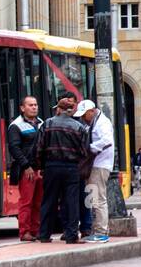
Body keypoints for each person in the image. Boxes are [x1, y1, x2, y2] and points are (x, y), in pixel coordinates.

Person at [35, 97, 91, 245]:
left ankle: (44, 234)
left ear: (58, 109)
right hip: (71, 168)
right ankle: (72, 235)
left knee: (49, 200)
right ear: (71, 111)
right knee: (71, 202)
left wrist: (41, 166)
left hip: (51, 166)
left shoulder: (47, 124)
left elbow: (39, 148)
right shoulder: (79, 127)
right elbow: (85, 151)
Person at [6, 96, 45, 242]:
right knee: (26, 202)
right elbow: (14, 149)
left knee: (39, 202)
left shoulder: (42, 123)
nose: (34, 107)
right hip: (26, 170)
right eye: (30, 105)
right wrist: (26, 166)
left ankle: (37, 230)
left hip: (40, 169)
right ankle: (25, 232)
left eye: (35, 105)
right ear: (22, 108)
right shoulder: (16, 126)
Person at [76, 99, 114, 243]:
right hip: (97, 165)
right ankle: (98, 230)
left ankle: (101, 232)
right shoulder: (95, 122)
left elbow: (106, 140)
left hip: (99, 165)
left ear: (91, 111)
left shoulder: (102, 123)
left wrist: (90, 148)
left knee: (98, 199)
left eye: (84, 114)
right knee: (93, 199)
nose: (83, 118)